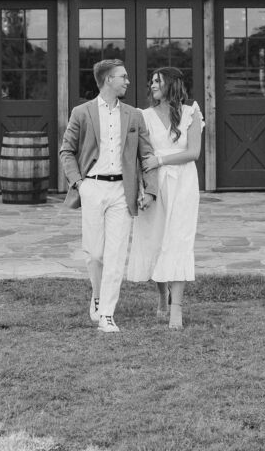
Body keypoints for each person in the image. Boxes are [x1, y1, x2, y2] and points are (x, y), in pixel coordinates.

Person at [60, 58, 159, 334]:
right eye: (122, 77)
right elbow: (66, 150)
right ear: (107, 81)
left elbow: (147, 154)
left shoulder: (134, 115)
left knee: (116, 254)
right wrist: (79, 184)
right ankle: (96, 294)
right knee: (95, 253)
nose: (128, 81)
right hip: (92, 187)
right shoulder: (82, 112)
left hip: (121, 191)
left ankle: (107, 314)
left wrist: (149, 189)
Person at [127, 66, 203, 330]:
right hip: (155, 186)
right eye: (152, 82)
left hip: (183, 184)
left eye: (158, 81)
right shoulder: (142, 116)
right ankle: (162, 296)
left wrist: (161, 159)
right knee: (156, 241)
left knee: (178, 242)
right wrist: (143, 192)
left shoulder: (191, 113)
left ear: (172, 84)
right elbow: (139, 159)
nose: (153, 85)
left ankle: (177, 310)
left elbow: (193, 153)